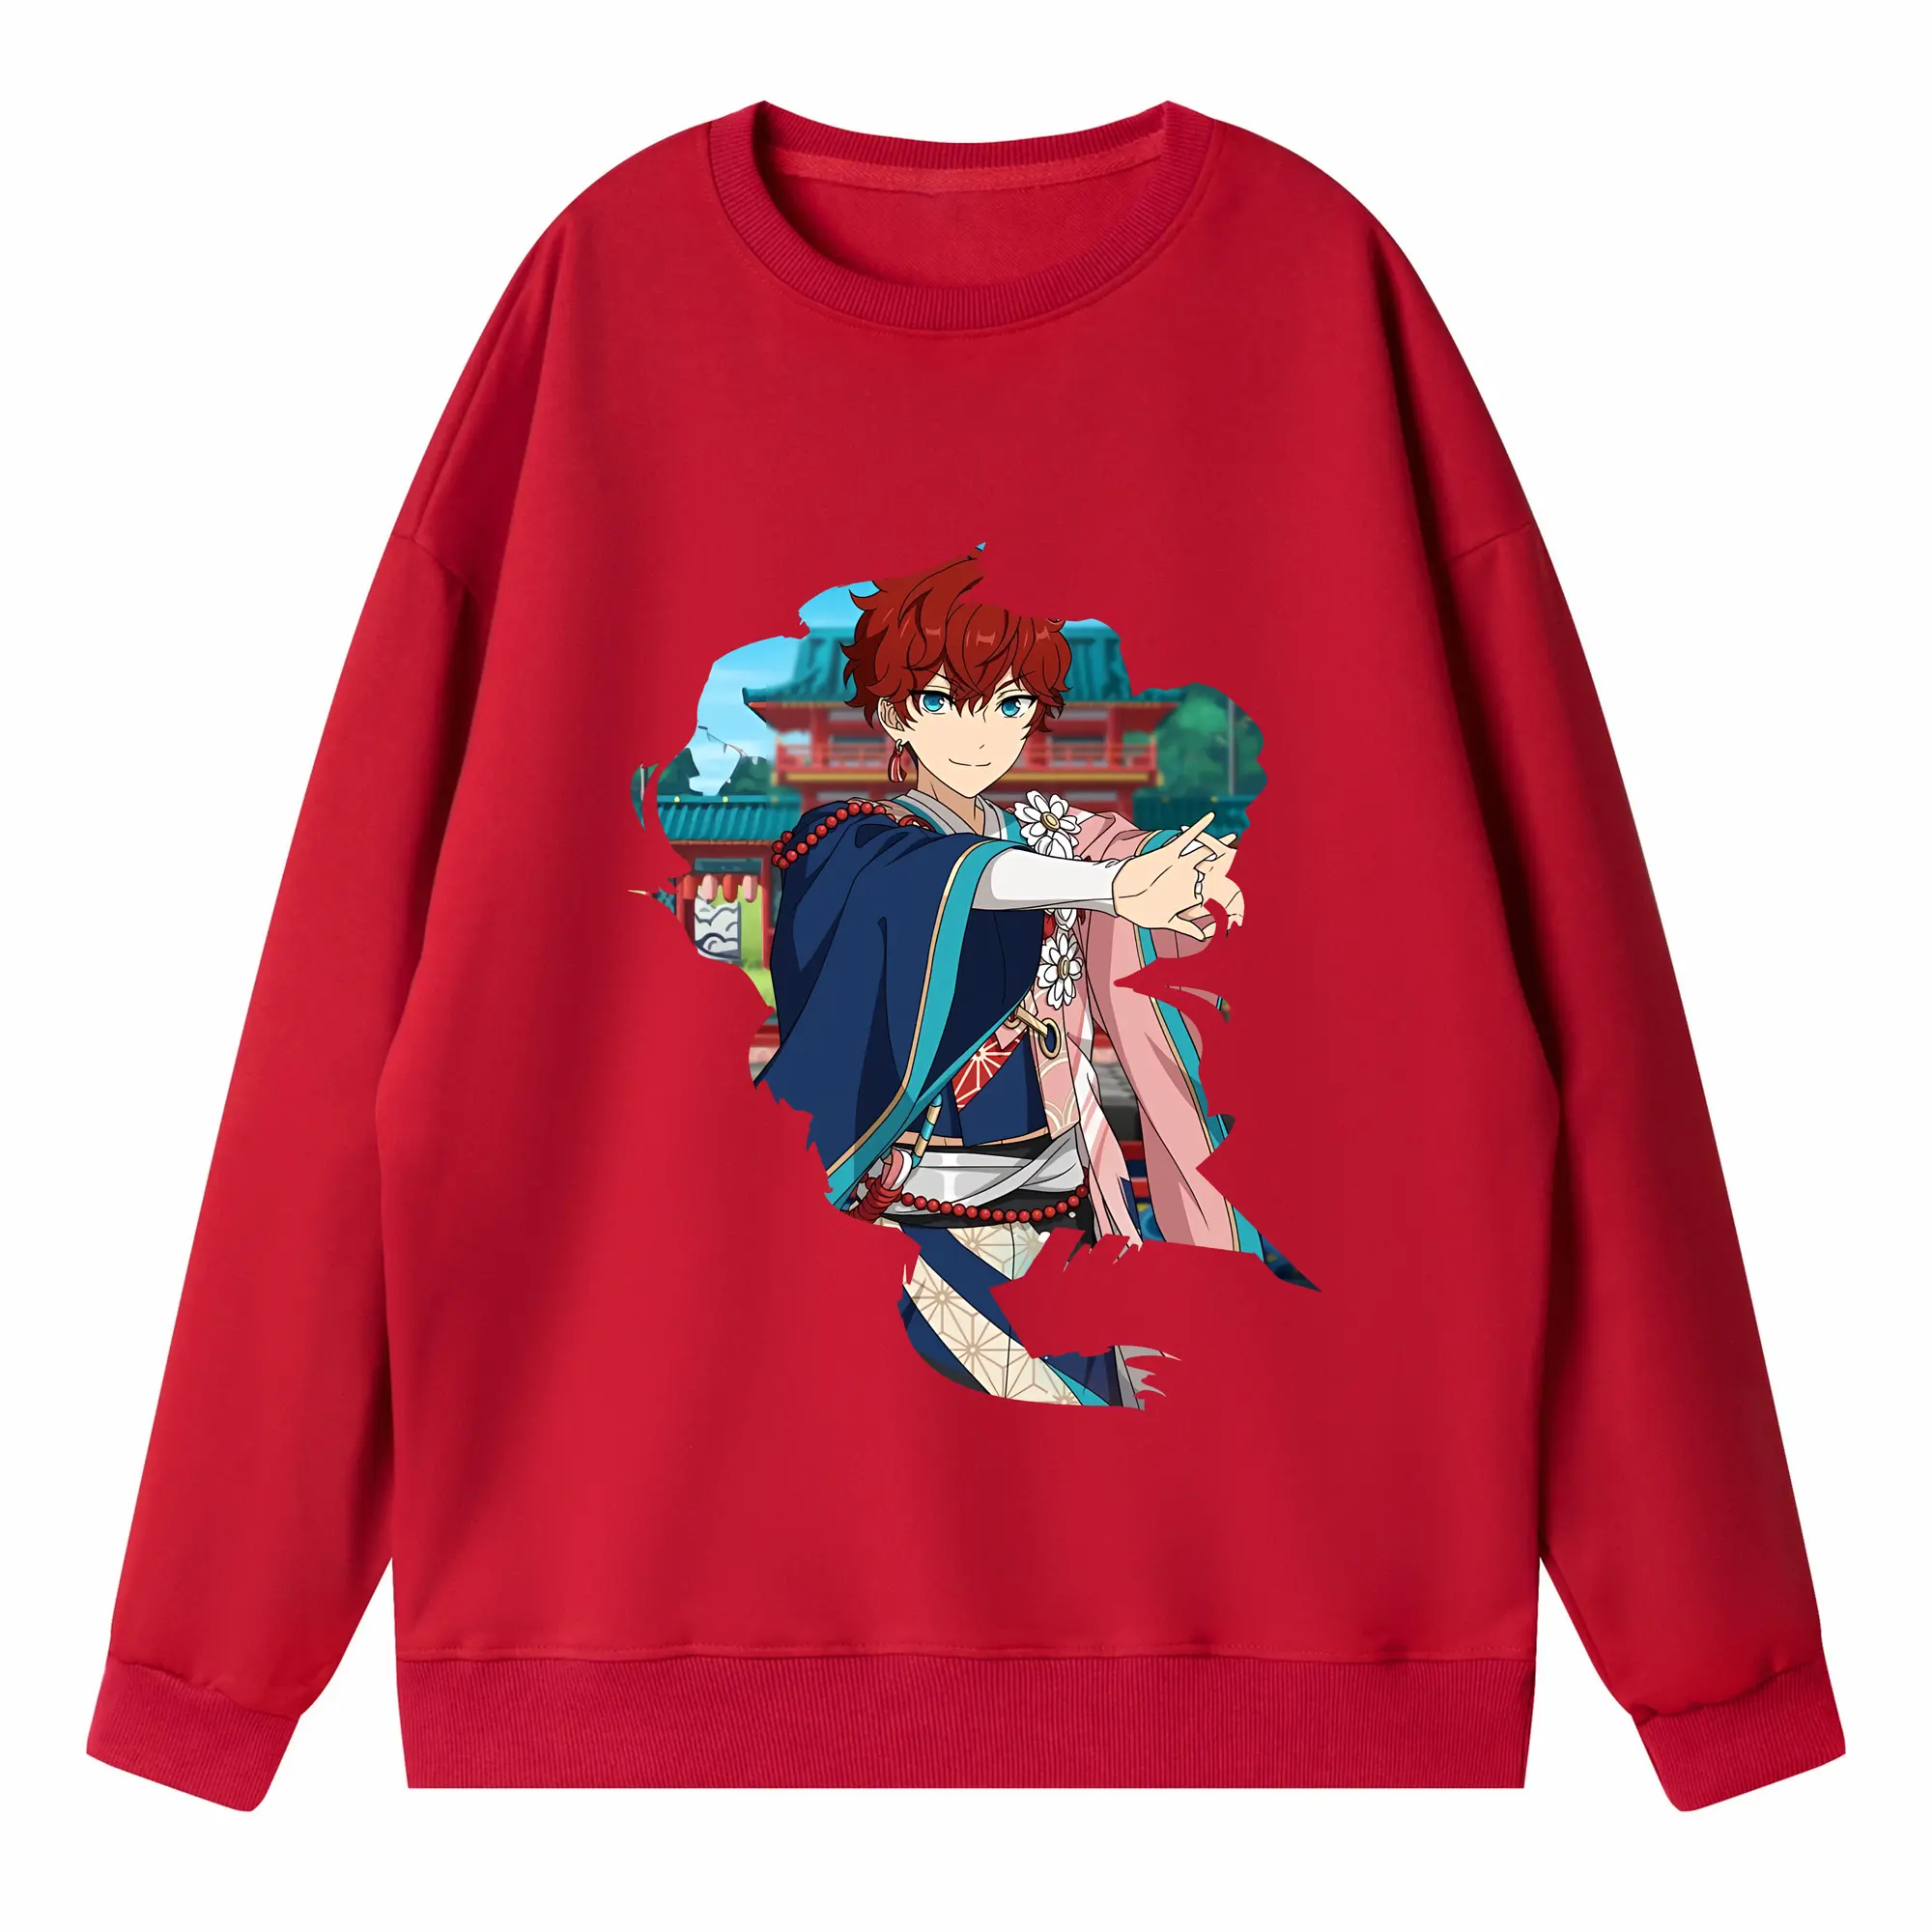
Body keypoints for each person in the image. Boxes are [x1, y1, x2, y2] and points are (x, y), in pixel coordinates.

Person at [759, 554, 1297, 1407]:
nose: (980, 733)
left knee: (1133, 1375)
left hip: (1063, 1176)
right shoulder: (852, 838)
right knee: (973, 1377)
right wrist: (1109, 888)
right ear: (895, 714)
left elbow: (1121, 855)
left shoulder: (1047, 829)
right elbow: (953, 875)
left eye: (1009, 705)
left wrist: (1194, 878)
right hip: (915, 1189)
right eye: (944, 700)